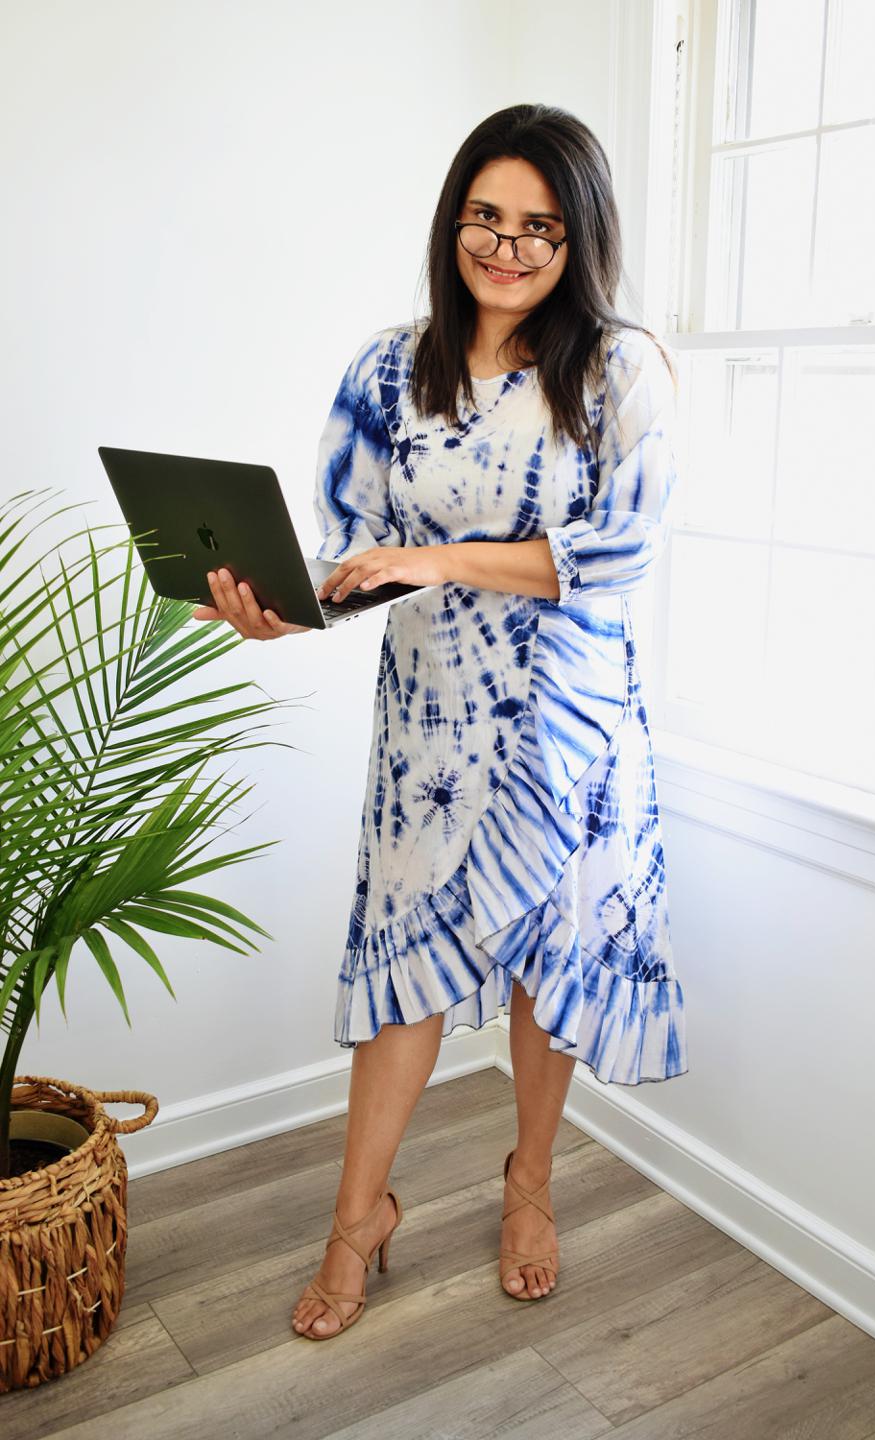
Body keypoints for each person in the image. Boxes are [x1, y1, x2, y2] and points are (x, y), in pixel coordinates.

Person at [193, 101, 688, 1341]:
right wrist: (281, 611)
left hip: (575, 728)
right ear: (453, 220)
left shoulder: (622, 370)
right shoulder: (384, 370)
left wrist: (445, 556)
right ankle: (359, 1217)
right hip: (430, 727)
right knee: (403, 975)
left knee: (548, 963)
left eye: (540, 227)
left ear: (579, 242)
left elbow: (617, 553)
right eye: (487, 217)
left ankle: (531, 1185)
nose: (509, 247)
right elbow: (358, 558)